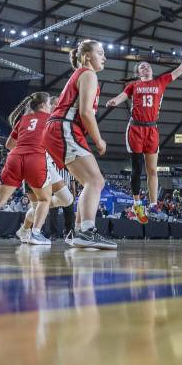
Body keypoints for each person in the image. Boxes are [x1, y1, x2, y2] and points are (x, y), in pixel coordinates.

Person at [106, 44, 182, 223]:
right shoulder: (133, 85)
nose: (145, 67)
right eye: (141, 66)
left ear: (151, 70)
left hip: (152, 129)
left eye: (147, 65)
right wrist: (114, 100)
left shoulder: (160, 82)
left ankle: (153, 205)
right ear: (138, 72)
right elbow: (122, 96)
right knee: (137, 169)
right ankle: (138, 205)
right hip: (135, 128)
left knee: (152, 170)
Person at [0, 92, 71, 246]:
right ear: (44, 105)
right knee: (45, 199)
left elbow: (9, 145)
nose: (51, 106)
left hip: (15, 157)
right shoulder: (51, 119)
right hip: (36, 158)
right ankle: (35, 234)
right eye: (49, 104)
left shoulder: (23, 120)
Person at [42, 40, 116, 250]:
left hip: (60, 129)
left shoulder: (83, 75)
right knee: (95, 181)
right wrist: (99, 139)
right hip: (64, 127)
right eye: (100, 53)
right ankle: (86, 231)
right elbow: (84, 112)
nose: (104, 57)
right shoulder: (88, 74)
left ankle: (77, 231)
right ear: (86, 57)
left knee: (90, 182)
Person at [14, 98, 75, 243]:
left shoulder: (55, 121)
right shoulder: (36, 120)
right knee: (39, 208)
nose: (58, 105)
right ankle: (30, 231)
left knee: (67, 199)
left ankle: (26, 229)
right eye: (54, 103)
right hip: (34, 164)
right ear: (46, 106)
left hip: (48, 165)